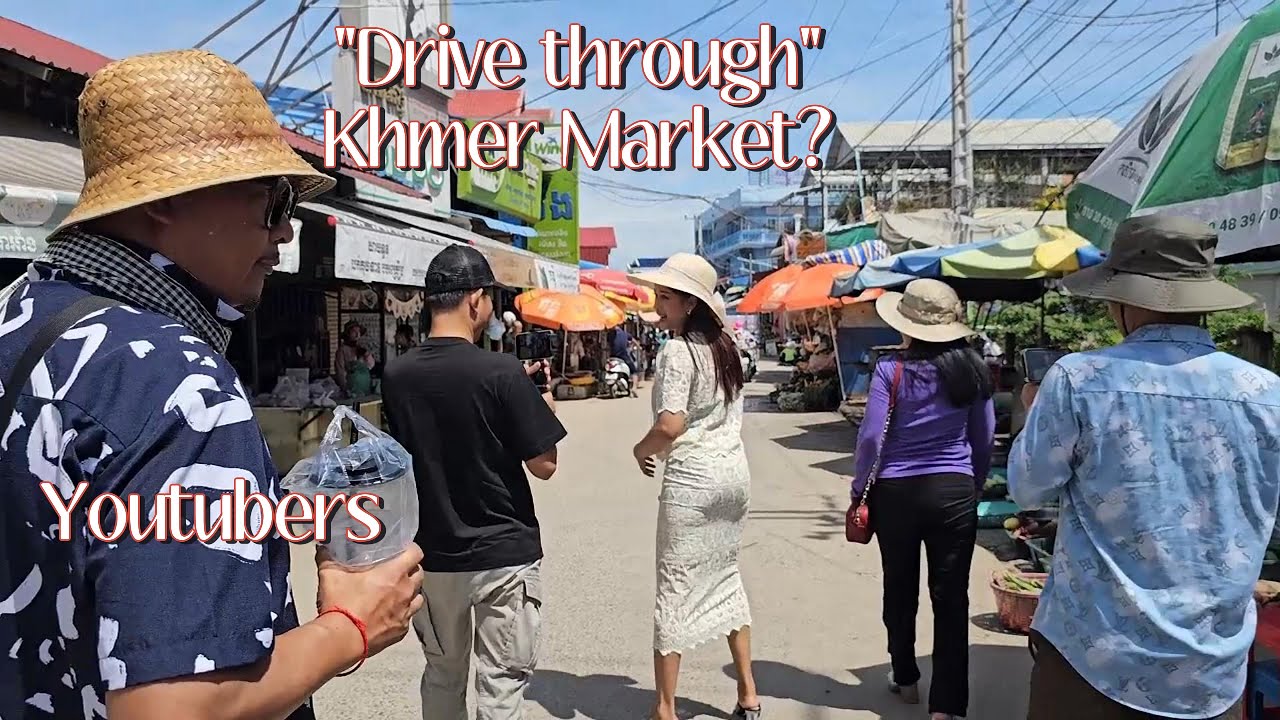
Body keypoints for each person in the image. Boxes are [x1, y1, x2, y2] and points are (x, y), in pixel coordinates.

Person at [0, 49, 424, 720]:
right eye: (273, 201)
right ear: (166, 200)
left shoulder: (18, 313)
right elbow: (175, 709)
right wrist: (353, 626)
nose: (286, 232)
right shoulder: (172, 380)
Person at [1009, 215, 1280, 720]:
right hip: (1211, 667)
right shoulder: (1268, 393)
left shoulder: (1079, 379)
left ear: (1125, 300)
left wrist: (1032, 408)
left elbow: (1028, 487)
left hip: (1093, 655)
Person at [381, 244, 567, 720]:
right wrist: (538, 405)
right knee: (501, 686)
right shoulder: (501, 371)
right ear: (477, 300)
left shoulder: (397, 375)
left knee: (442, 676)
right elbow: (544, 464)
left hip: (434, 554)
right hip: (502, 557)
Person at [852, 279, 995, 720]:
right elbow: (984, 435)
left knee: (900, 586)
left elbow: (872, 436)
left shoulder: (890, 370)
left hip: (895, 493)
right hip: (954, 489)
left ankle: (906, 675)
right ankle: (947, 706)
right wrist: (975, 482)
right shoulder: (974, 368)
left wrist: (860, 490)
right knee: (951, 596)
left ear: (907, 324)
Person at [629, 254, 759, 720]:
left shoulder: (677, 351)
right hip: (733, 478)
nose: (657, 304)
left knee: (674, 588)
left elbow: (669, 424)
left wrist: (641, 450)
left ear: (690, 304)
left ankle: (665, 708)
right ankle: (748, 693)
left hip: (693, 484)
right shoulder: (725, 347)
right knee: (727, 577)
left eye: (665, 297)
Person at [336, 319, 375, 397]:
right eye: (354, 332)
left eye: (359, 332)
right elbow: (340, 371)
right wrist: (345, 388)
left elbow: (370, 365)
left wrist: (366, 354)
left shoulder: (361, 347)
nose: (357, 334)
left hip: (365, 386)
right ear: (348, 333)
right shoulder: (342, 350)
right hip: (351, 388)